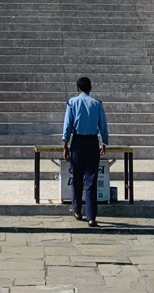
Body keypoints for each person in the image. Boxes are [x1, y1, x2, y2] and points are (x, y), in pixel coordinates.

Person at [62, 75, 109, 226]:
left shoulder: (72, 102)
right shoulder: (97, 104)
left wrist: (65, 145)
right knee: (91, 179)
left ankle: (77, 209)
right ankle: (91, 216)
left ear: (78, 89)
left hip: (78, 142)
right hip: (92, 142)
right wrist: (104, 143)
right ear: (90, 89)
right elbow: (103, 126)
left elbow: (68, 125)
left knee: (77, 177)